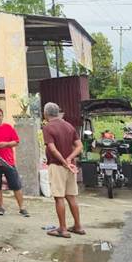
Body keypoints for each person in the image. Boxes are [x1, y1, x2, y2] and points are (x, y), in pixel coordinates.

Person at [42, 102, 84, 238]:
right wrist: (69, 159)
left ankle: (63, 228)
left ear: (45, 113)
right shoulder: (68, 125)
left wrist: (63, 162)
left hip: (57, 165)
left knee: (59, 197)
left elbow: (52, 149)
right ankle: (78, 226)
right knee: (71, 196)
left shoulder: (48, 127)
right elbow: (79, 146)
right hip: (70, 167)